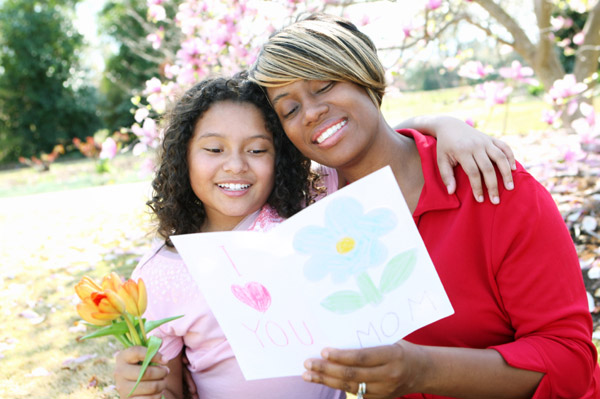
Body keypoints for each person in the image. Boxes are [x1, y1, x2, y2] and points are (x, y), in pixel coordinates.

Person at [249, 12, 600, 399]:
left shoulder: (491, 185)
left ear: (365, 74)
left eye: (325, 85)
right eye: (290, 110)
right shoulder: (309, 219)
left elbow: (570, 361)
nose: (311, 111)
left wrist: (424, 371)